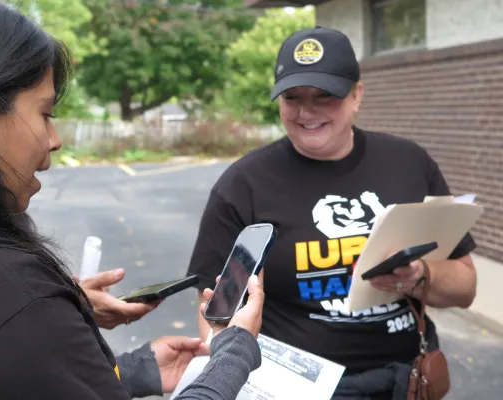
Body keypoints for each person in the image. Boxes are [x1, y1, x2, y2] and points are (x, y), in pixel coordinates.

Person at [0, 0, 265, 399]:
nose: (55, 140)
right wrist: (233, 353)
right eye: (45, 113)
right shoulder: (8, 297)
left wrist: (129, 370)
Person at [186, 26, 477, 399]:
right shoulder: (244, 186)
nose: (308, 111)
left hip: (403, 382)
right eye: (293, 97)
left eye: (326, 96)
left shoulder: (409, 164)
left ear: (357, 95)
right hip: (293, 387)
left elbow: (465, 288)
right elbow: (215, 314)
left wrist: (420, 275)